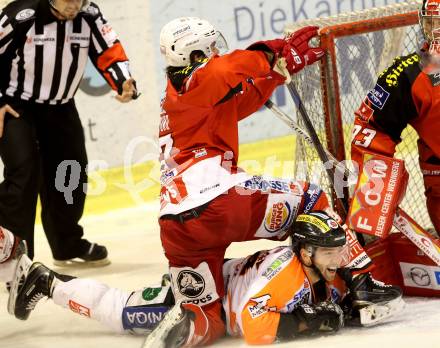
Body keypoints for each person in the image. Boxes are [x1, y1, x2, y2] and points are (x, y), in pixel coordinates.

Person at [151, 17, 402, 346]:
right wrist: (273, 51)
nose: (215, 51)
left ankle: (187, 325)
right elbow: (226, 69)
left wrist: (278, 71)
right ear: (194, 54)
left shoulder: (178, 97)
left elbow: (241, 101)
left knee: (209, 316)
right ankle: (359, 281)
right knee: (311, 201)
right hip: (220, 201)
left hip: (175, 226)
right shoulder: (199, 78)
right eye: (209, 47)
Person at [9, 212, 403, 345]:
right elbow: (254, 325)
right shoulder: (289, 275)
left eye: (339, 249)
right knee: (119, 311)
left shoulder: (311, 265)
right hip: (192, 301)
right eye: (330, 251)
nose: (339, 258)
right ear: (305, 252)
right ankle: (47, 283)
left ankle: (50, 281)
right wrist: (315, 321)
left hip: (213, 286)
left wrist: (343, 303)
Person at [0, 0, 138, 265]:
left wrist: (123, 81)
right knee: (24, 173)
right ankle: (15, 255)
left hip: (62, 109)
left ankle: (67, 245)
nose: (76, 4)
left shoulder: (89, 14)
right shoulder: (21, 15)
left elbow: (108, 49)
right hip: (17, 108)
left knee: (71, 174)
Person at [351, 0, 440, 233]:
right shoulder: (409, 73)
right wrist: (375, 188)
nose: (437, 29)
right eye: (432, 22)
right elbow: (372, 125)